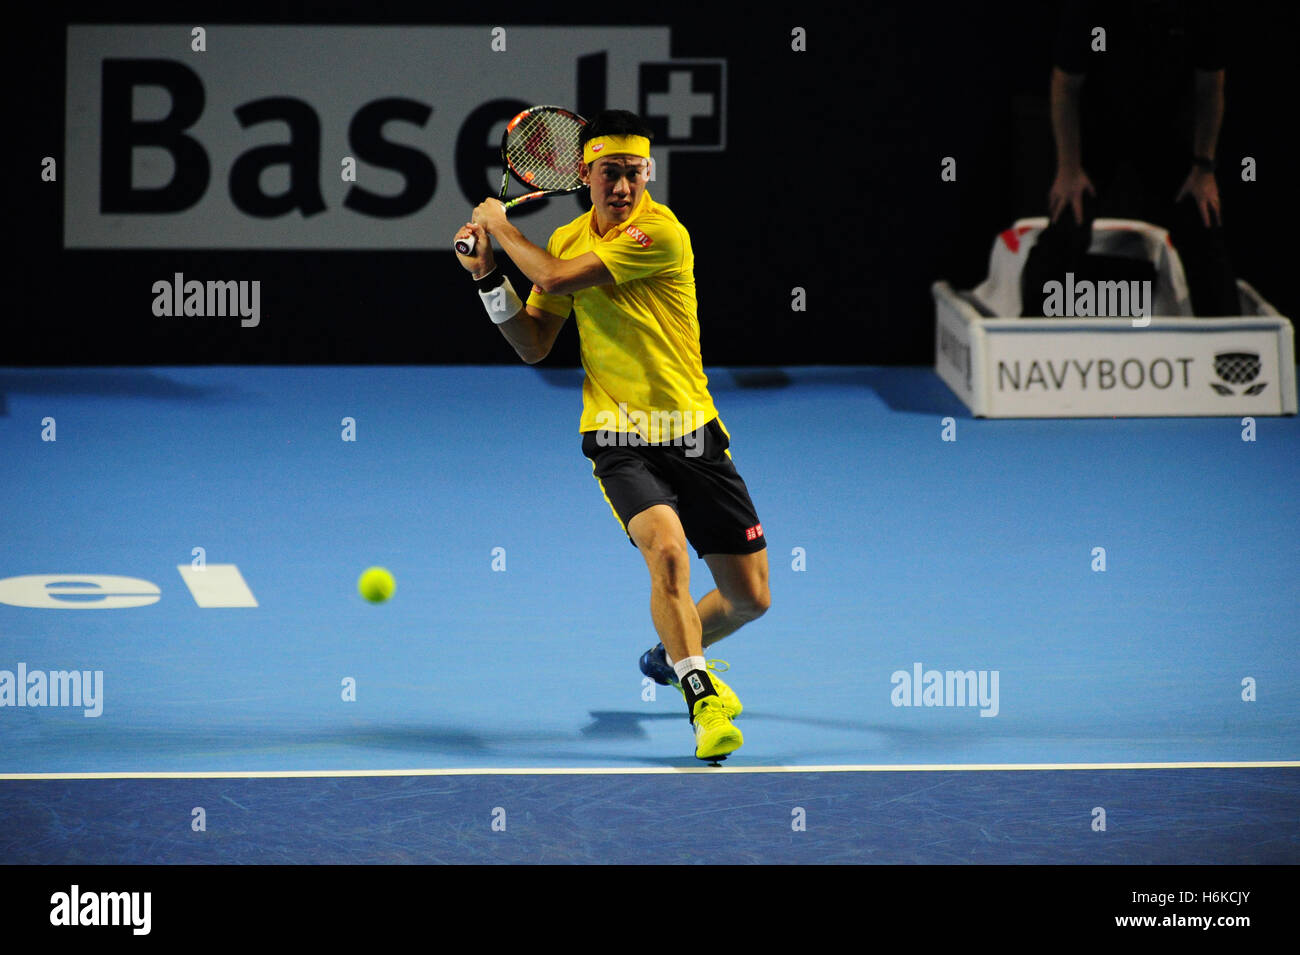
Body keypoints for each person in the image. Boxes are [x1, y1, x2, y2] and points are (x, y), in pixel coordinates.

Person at [454, 109, 770, 761]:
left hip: (692, 434)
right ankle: (702, 697)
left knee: (750, 598)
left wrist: (500, 226)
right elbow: (536, 343)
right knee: (669, 554)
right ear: (584, 175)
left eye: (635, 173)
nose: (624, 187)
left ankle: (670, 652)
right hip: (618, 435)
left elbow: (549, 278)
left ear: (647, 174)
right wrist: (489, 279)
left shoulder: (660, 233)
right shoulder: (565, 239)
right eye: (610, 174)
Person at [1022, 0, 1240, 317]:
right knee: (1067, 221)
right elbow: (1065, 86)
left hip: (1165, 129)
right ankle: (1027, 343)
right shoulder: (1089, 8)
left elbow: (1211, 86)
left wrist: (1204, 168)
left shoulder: (1200, 8)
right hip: (1097, 126)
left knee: (1202, 220)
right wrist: (1069, 169)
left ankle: (1229, 351)